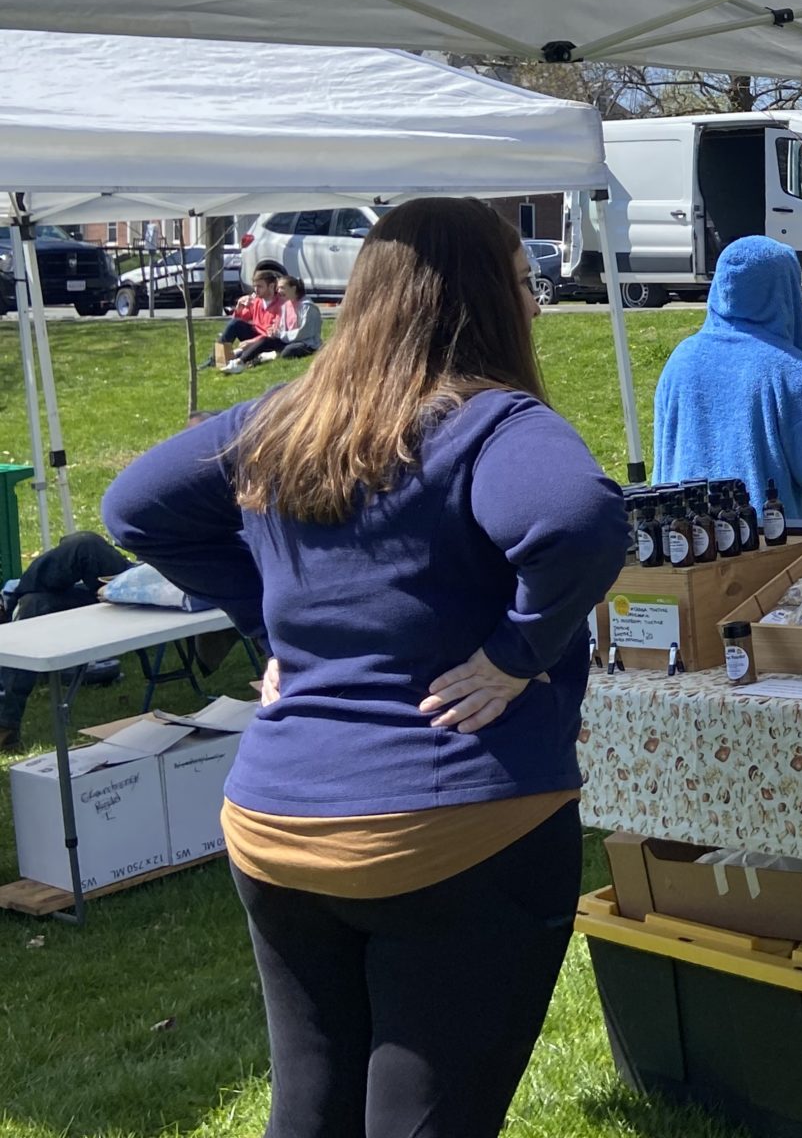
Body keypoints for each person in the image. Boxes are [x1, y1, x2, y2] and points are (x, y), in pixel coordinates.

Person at [103, 197, 624, 1138]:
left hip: (276, 826)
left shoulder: (285, 416)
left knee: (312, 1109)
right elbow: (579, 519)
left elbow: (134, 505)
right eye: (520, 282)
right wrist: (516, 653)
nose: (537, 304)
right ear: (478, 298)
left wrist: (271, 630)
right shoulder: (493, 424)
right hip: (454, 827)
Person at [653, 235, 802, 519]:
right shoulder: (793, 373)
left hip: (683, 541)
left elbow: (664, 458)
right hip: (764, 547)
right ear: (786, 291)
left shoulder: (680, 360)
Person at [0, 534, 132, 751]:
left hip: (148, 581)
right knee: (33, 603)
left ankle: (10, 598)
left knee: (82, 544)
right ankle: (5, 725)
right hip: (119, 586)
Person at [222, 276, 322, 373]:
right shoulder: (282, 304)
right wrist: (274, 332)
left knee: (288, 351)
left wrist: (277, 334)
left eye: (282, 288)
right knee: (260, 337)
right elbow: (240, 320)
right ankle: (228, 360)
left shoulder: (305, 307)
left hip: (303, 342)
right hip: (283, 339)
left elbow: (303, 333)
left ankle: (251, 357)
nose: (278, 291)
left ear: (293, 288)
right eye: (278, 288)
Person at [216, 269, 285, 368]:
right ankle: (218, 360)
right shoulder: (257, 301)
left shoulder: (281, 304)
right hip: (256, 335)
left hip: (268, 341)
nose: (256, 290)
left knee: (264, 340)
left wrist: (252, 342)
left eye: (260, 286)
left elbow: (273, 333)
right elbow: (238, 321)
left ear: (271, 286)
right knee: (235, 324)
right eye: (255, 286)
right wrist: (239, 308)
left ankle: (234, 360)